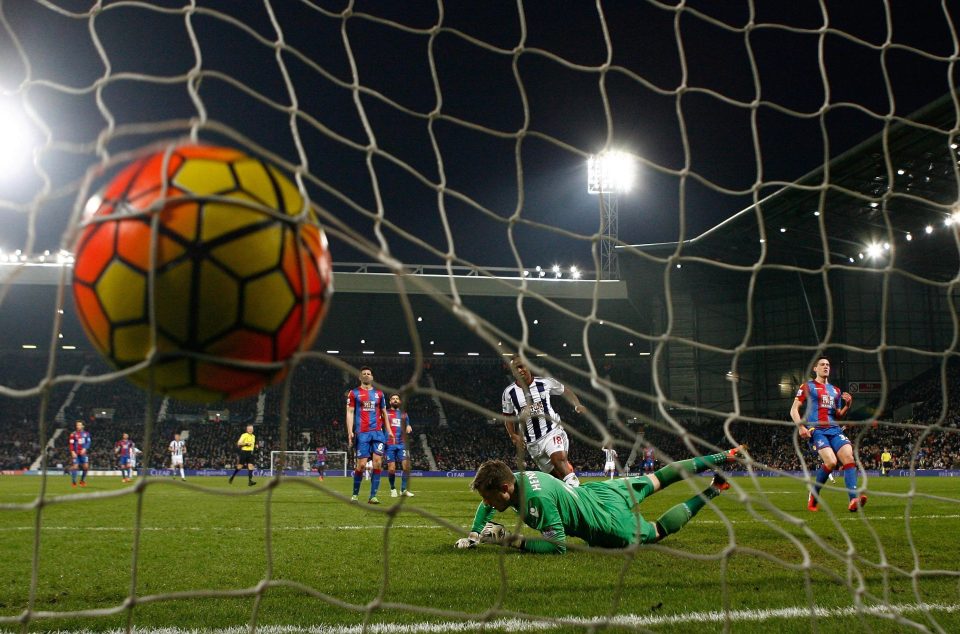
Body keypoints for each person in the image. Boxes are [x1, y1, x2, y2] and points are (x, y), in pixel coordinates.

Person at [455, 447, 743, 553]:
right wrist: (474, 535)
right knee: (661, 478)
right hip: (601, 492)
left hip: (604, 522)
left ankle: (715, 489)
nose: (489, 505)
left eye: (491, 499)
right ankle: (724, 455)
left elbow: (558, 546)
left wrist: (514, 541)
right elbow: (485, 504)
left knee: (655, 532)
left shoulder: (536, 500)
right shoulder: (516, 477)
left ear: (504, 488)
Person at [790, 356, 865, 512]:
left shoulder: (835, 390)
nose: (826, 367)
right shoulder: (807, 386)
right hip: (816, 430)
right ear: (815, 369)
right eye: (822, 364)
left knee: (849, 458)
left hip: (834, 429)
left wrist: (847, 405)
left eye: (828, 365)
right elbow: (793, 409)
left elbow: (837, 415)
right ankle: (814, 494)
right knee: (831, 462)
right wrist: (801, 427)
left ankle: (853, 500)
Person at [501, 355, 585, 488]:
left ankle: (579, 493)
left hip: (552, 431)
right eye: (515, 368)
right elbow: (507, 416)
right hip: (532, 443)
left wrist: (577, 404)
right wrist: (513, 435)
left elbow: (565, 391)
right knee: (556, 477)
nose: (520, 370)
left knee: (558, 460)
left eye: (522, 366)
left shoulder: (545, 383)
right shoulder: (509, 393)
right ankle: (568, 481)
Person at [346, 366, 394, 504]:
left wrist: (389, 430)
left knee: (378, 463)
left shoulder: (379, 394)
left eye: (369, 373)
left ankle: (373, 496)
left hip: (378, 433)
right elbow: (349, 412)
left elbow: (384, 412)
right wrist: (350, 431)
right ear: (360, 377)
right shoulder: (354, 393)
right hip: (362, 433)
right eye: (364, 374)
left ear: (372, 377)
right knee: (361, 465)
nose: (366, 375)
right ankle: (355, 494)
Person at [385, 393, 415, 497]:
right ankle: (393, 488)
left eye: (397, 398)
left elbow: (407, 424)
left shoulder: (404, 414)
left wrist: (409, 426)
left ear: (400, 401)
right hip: (389, 444)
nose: (395, 400)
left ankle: (403, 490)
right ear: (390, 402)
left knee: (406, 466)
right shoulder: (385, 413)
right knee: (392, 469)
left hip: (402, 444)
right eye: (393, 399)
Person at [69, 420, 91, 488]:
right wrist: (72, 451)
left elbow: (88, 442)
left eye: (79, 425)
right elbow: (71, 443)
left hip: (83, 453)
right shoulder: (73, 434)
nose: (78, 426)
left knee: (86, 467)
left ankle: (82, 480)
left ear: (83, 426)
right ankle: (74, 482)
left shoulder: (87, 434)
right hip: (76, 453)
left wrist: (85, 448)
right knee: (75, 467)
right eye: (77, 425)